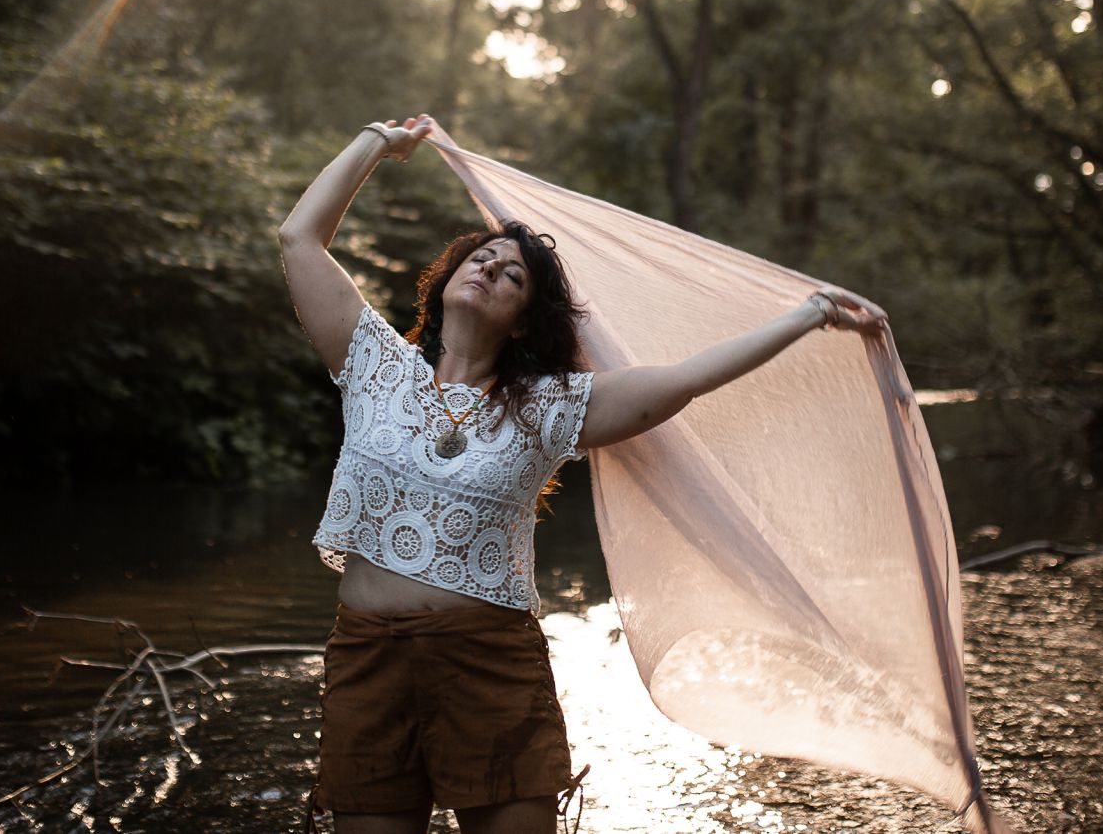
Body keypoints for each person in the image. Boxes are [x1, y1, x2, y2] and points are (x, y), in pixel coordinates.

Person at [279, 114, 885, 834]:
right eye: (481, 257)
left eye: (512, 275)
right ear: (444, 281)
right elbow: (299, 239)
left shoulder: (547, 406)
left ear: (523, 320)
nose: (491, 269)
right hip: (367, 660)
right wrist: (378, 142)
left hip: (489, 664)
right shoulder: (375, 364)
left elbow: (678, 382)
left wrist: (808, 315)